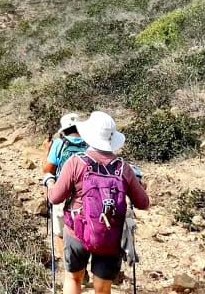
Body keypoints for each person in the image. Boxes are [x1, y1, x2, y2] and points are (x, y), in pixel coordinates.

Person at [45, 111, 150, 294]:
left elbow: (55, 198)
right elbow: (143, 203)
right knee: (102, 288)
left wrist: (50, 181)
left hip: (77, 230)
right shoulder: (123, 167)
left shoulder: (75, 162)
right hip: (110, 234)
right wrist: (137, 182)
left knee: (73, 278)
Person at [43, 112, 89, 259]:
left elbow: (47, 169)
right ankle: (83, 269)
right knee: (84, 230)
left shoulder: (59, 143)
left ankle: (70, 266)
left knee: (60, 233)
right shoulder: (90, 143)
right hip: (85, 195)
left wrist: (46, 151)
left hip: (63, 194)